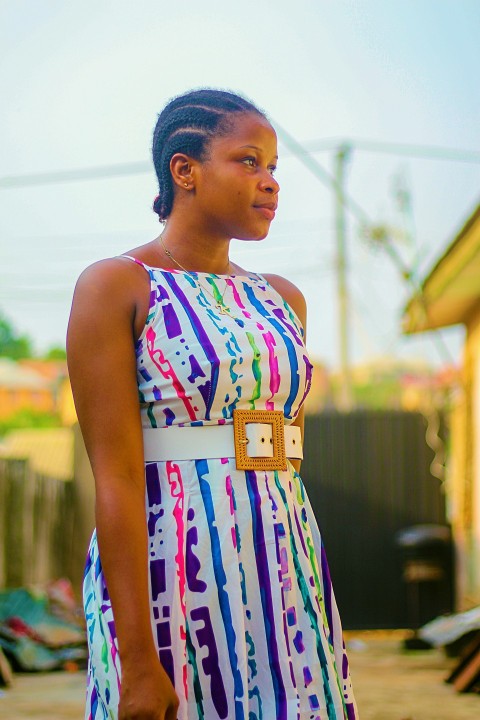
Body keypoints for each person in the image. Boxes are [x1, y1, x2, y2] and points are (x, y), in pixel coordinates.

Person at [67, 88, 357, 720]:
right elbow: (115, 482)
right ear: (185, 170)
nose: (270, 182)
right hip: (175, 573)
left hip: (283, 564)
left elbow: (285, 457)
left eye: (274, 167)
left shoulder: (283, 300)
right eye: (248, 161)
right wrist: (139, 663)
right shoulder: (117, 285)